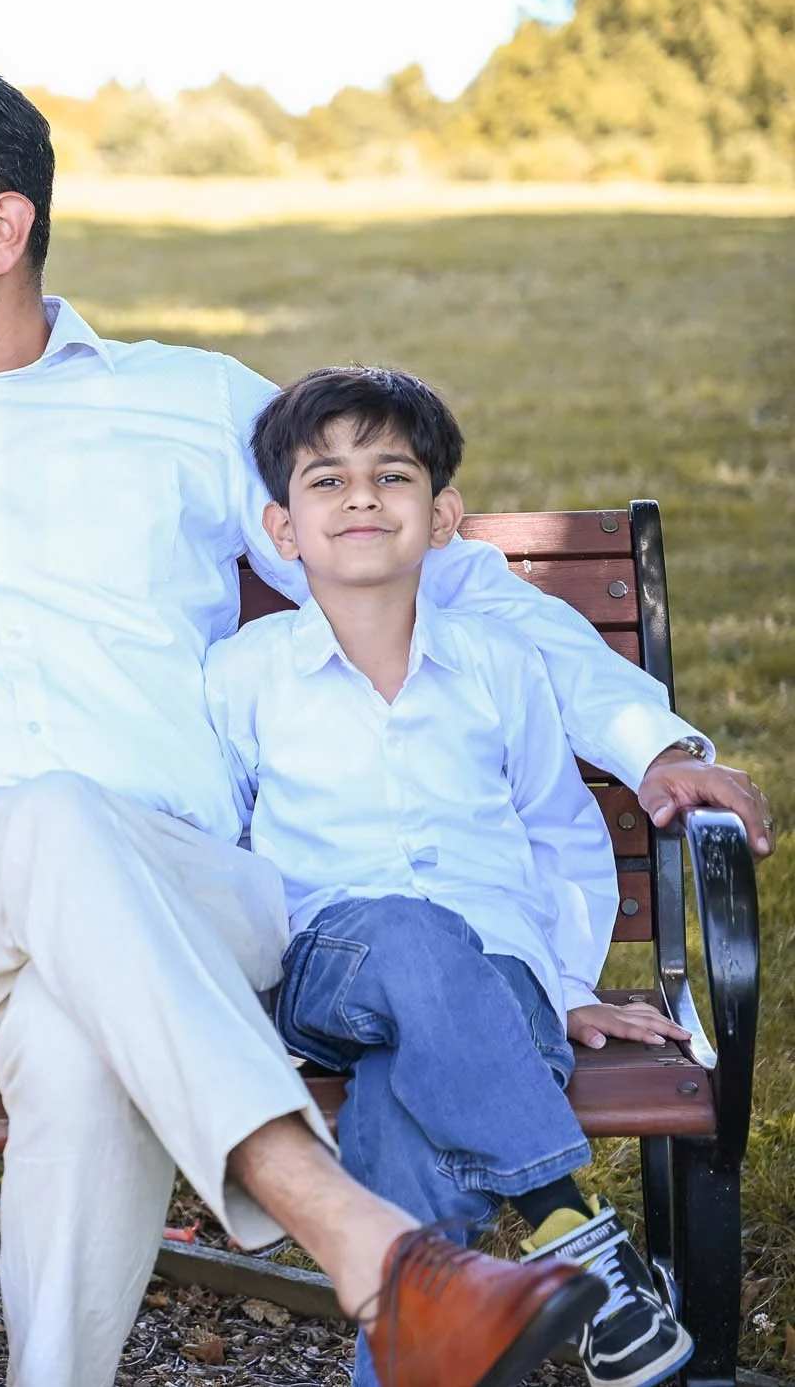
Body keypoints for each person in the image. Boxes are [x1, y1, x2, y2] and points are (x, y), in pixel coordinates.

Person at [0, 71, 776, 1387]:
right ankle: (374, 1253)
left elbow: (444, 593)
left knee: (79, 1022)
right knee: (57, 813)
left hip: (182, 898)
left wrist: (653, 740)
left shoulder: (190, 401)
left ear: (1, 231)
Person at [204, 366, 694, 1387]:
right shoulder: (244, 675)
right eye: (326, 482)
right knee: (410, 933)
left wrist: (561, 987)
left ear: (442, 515)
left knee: (403, 1119)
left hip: (495, 974)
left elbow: (558, 836)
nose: (363, 500)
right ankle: (571, 1225)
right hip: (328, 965)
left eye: (391, 476)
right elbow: (216, 842)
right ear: (282, 530)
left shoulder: (495, 666)